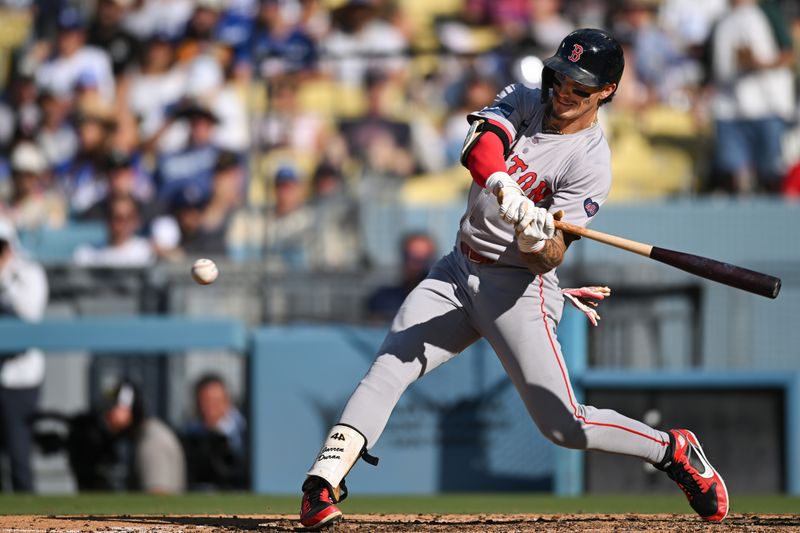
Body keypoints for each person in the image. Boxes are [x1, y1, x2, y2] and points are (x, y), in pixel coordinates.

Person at [297, 29, 729, 530]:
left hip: (517, 290)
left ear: (606, 92)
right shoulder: (525, 99)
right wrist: (505, 187)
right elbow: (482, 149)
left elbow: (551, 258)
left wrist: (534, 236)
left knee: (564, 427)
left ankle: (672, 450)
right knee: (390, 365)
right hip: (458, 271)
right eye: (561, 76)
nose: (565, 91)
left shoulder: (590, 163)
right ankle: (322, 482)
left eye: (580, 86)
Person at [0, 217, 48, 492]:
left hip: (21, 378)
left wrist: (4, 277)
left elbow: (29, 314)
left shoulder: (27, 272)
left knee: (19, 458)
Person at [102, 380, 186, 493]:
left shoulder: (152, 443)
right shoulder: (145, 435)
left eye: (113, 409)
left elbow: (158, 495)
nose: (107, 417)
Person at [181, 374, 247, 490]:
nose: (210, 408)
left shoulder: (244, 430)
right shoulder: (190, 431)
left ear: (227, 401)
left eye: (215, 401)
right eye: (205, 401)